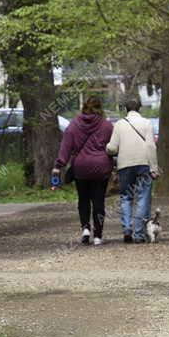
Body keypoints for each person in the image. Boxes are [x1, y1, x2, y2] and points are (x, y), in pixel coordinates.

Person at [54, 96, 114, 245]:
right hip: (101, 168)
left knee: (83, 199)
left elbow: (65, 147)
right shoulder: (107, 126)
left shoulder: (74, 125)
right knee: (98, 201)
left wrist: (58, 166)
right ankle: (98, 236)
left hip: (81, 168)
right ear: (100, 107)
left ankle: (85, 228)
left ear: (84, 107)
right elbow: (113, 146)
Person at [106, 96, 159, 243]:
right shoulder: (147, 123)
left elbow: (112, 148)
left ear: (125, 109)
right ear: (140, 108)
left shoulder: (119, 124)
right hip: (143, 165)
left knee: (126, 197)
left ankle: (127, 228)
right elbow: (150, 146)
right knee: (143, 197)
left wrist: (106, 149)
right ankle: (139, 234)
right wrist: (154, 167)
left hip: (125, 166)